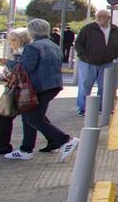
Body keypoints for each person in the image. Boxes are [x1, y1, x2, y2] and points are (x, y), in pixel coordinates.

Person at [7, 19, 78, 161]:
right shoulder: (53, 45)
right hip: (53, 85)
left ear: (31, 31)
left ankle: (66, 140)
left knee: (33, 118)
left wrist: (9, 63)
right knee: (29, 115)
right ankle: (26, 149)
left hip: (40, 86)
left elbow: (25, 68)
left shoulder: (33, 47)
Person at [73, 9, 118, 116]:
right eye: (98, 16)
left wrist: (113, 55)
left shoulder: (115, 30)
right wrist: (85, 57)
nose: (100, 18)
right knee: (85, 86)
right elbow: (78, 44)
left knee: (104, 87)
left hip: (106, 63)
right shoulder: (88, 28)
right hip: (88, 63)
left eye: (103, 16)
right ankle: (82, 108)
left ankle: (102, 108)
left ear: (109, 18)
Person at [0, 31, 27, 156]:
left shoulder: (18, 54)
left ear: (18, 41)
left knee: (8, 116)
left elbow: (13, 74)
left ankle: (3, 145)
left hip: (16, 89)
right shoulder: (25, 51)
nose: (9, 43)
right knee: (33, 117)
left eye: (11, 40)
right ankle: (55, 138)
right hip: (21, 88)